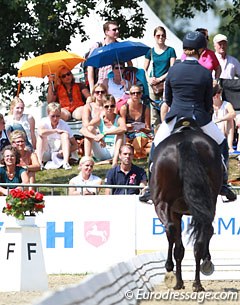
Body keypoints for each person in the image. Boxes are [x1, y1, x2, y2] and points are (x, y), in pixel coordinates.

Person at [141, 31, 236, 203]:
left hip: (174, 118)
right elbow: (208, 104)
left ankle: (150, 186)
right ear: (201, 50)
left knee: (155, 145)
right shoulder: (206, 73)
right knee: (222, 143)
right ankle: (223, 183)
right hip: (199, 117)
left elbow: (167, 100)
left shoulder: (173, 71)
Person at [144, 26, 176, 129]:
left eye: (163, 36)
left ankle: (166, 130)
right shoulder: (150, 52)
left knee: (165, 107)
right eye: (158, 35)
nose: (160, 38)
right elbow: (144, 68)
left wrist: (160, 78)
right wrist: (149, 79)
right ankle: (156, 134)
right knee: (153, 112)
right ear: (154, 37)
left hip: (166, 83)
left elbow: (172, 68)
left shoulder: (170, 51)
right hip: (153, 84)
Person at [81, 95, 126, 166]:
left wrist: (105, 133)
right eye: (106, 106)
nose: (109, 108)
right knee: (90, 129)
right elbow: (83, 130)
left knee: (120, 133)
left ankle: (114, 161)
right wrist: (96, 138)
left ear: (115, 106)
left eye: (112, 106)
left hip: (115, 150)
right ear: (103, 107)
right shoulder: (100, 119)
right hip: (102, 148)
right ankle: (87, 160)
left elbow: (124, 128)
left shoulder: (119, 119)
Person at [36, 102, 78, 170]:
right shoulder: (44, 122)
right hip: (46, 151)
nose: (55, 118)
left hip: (58, 153)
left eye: (58, 116)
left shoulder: (64, 124)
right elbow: (40, 132)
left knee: (65, 135)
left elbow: (75, 145)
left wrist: (64, 151)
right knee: (41, 136)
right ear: (48, 114)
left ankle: (65, 162)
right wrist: (55, 130)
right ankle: (39, 163)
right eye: (53, 116)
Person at [120, 85, 153, 158]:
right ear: (129, 95)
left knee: (143, 138)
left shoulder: (146, 109)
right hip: (129, 135)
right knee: (151, 146)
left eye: (138, 93)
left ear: (141, 94)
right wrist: (128, 126)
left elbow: (148, 128)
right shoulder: (124, 108)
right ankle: (141, 151)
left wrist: (143, 129)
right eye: (133, 93)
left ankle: (136, 151)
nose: (136, 95)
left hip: (142, 135)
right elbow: (121, 126)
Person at [87, 21, 120, 93]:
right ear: (106, 32)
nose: (117, 31)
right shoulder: (97, 46)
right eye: (114, 30)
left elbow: (129, 63)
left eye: (118, 29)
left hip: (117, 85)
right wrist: (92, 89)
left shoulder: (120, 46)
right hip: (101, 86)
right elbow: (90, 68)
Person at [81, 83, 108, 156]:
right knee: (89, 128)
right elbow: (85, 125)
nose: (100, 94)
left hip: (106, 134)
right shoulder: (88, 107)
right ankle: (87, 157)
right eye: (97, 92)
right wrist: (97, 136)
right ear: (94, 94)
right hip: (93, 135)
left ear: (106, 93)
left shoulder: (109, 107)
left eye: (102, 92)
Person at [212, 82, 236, 153]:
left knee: (229, 120)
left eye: (218, 93)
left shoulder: (226, 104)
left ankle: (229, 146)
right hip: (212, 129)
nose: (216, 96)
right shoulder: (208, 105)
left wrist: (220, 119)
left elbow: (233, 113)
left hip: (223, 129)